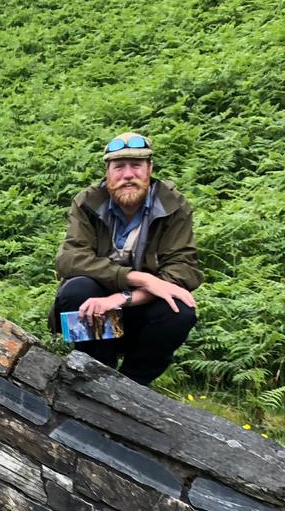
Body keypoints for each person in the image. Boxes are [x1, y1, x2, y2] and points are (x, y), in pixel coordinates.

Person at [49, 132, 200, 386]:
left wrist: (121, 298)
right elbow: (69, 259)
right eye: (119, 167)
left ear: (149, 169)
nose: (128, 175)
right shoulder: (88, 202)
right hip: (94, 312)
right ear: (107, 172)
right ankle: (94, 375)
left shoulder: (173, 205)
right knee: (77, 290)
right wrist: (137, 278)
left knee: (180, 310)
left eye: (136, 166)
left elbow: (183, 269)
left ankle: (133, 386)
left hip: (141, 313)